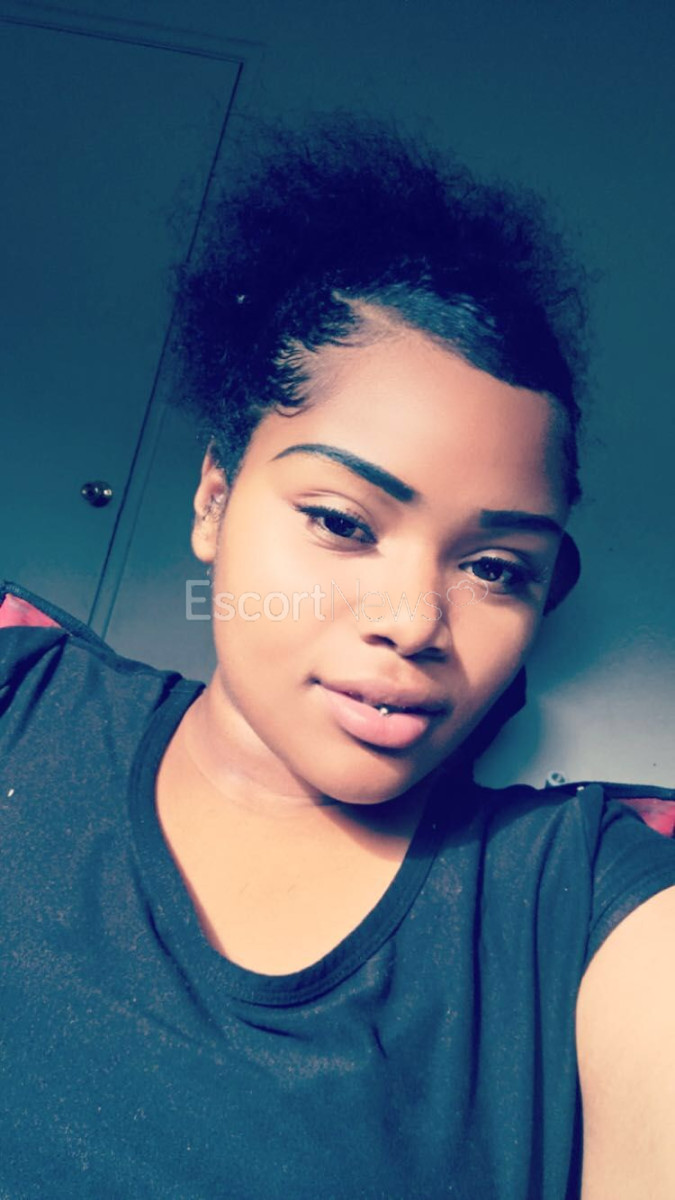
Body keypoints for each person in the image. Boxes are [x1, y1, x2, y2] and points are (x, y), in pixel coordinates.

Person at [1, 115, 674, 1199]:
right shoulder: (20, 700)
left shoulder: (580, 894)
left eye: (496, 568)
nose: (414, 622)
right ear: (214, 499)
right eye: (342, 521)